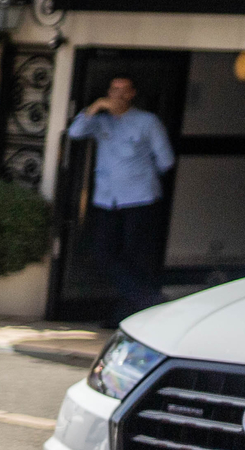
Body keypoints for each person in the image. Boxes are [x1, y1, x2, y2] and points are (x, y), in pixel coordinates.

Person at [66, 75, 177, 318]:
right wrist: (94, 108)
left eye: (123, 90)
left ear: (132, 94)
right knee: (103, 254)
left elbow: (166, 160)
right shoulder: (100, 120)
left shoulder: (147, 121)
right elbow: (74, 133)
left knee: (135, 256)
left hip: (140, 199)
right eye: (113, 90)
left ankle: (129, 311)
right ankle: (147, 299)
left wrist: (141, 176)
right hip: (107, 199)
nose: (117, 95)